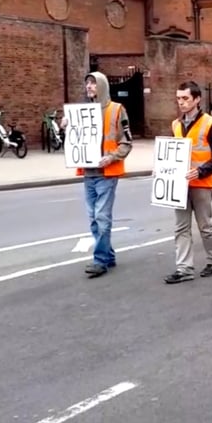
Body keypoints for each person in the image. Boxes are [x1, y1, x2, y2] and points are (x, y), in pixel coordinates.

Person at [67, 72, 133, 278]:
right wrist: (66, 126)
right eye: (87, 83)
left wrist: (111, 157)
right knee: (94, 218)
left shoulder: (116, 110)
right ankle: (108, 255)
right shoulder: (82, 112)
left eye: (93, 83)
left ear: (102, 86)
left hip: (106, 172)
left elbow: (127, 141)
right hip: (89, 172)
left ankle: (100, 260)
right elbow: (73, 139)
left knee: (101, 216)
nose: (89, 87)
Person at [164, 81, 212, 284]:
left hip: (201, 184)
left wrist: (200, 171)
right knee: (181, 227)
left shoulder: (211, 124)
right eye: (179, 98)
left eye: (185, 98)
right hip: (179, 185)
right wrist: (163, 168)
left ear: (197, 99)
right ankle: (184, 269)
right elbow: (171, 153)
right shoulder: (176, 124)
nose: (181, 102)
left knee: (204, 226)